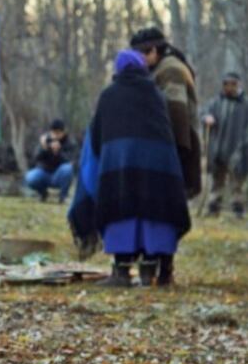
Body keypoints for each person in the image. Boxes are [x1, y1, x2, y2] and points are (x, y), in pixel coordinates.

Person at [69, 50, 190, 287]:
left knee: (120, 209)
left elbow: (97, 136)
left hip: (118, 166)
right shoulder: (155, 94)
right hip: (156, 166)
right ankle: (150, 271)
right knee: (153, 212)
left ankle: (121, 272)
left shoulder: (109, 96)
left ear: (119, 69)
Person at [130, 27, 201, 198]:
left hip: (176, 149)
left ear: (153, 51)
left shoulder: (170, 70)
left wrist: (173, 158)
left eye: (139, 54)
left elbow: (177, 114)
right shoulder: (162, 67)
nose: (137, 60)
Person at [203, 72, 248, 218]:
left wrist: (244, 145)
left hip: (239, 149)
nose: (229, 87)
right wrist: (207, 118)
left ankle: (238, 209)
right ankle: (213, 208)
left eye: (233, 84)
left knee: (237, 182)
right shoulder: (215, 102)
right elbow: (204, 113)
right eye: (226, 84)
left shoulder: (246, 105)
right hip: (218, 148)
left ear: (238, 85)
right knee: (217, 181)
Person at [25, 119, 76, 202]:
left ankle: (63, 196)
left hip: (59, 175)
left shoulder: (69, 142)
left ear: (63, 132)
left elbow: (70, 161)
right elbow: (36, 158)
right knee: (30, 177)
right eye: (53, 132)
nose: (55, 135)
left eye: (58, 133)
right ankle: (43, 194)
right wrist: (45, 148)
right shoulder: (44, 140)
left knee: (68, 169)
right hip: (44, 172)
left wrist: (58, 152)